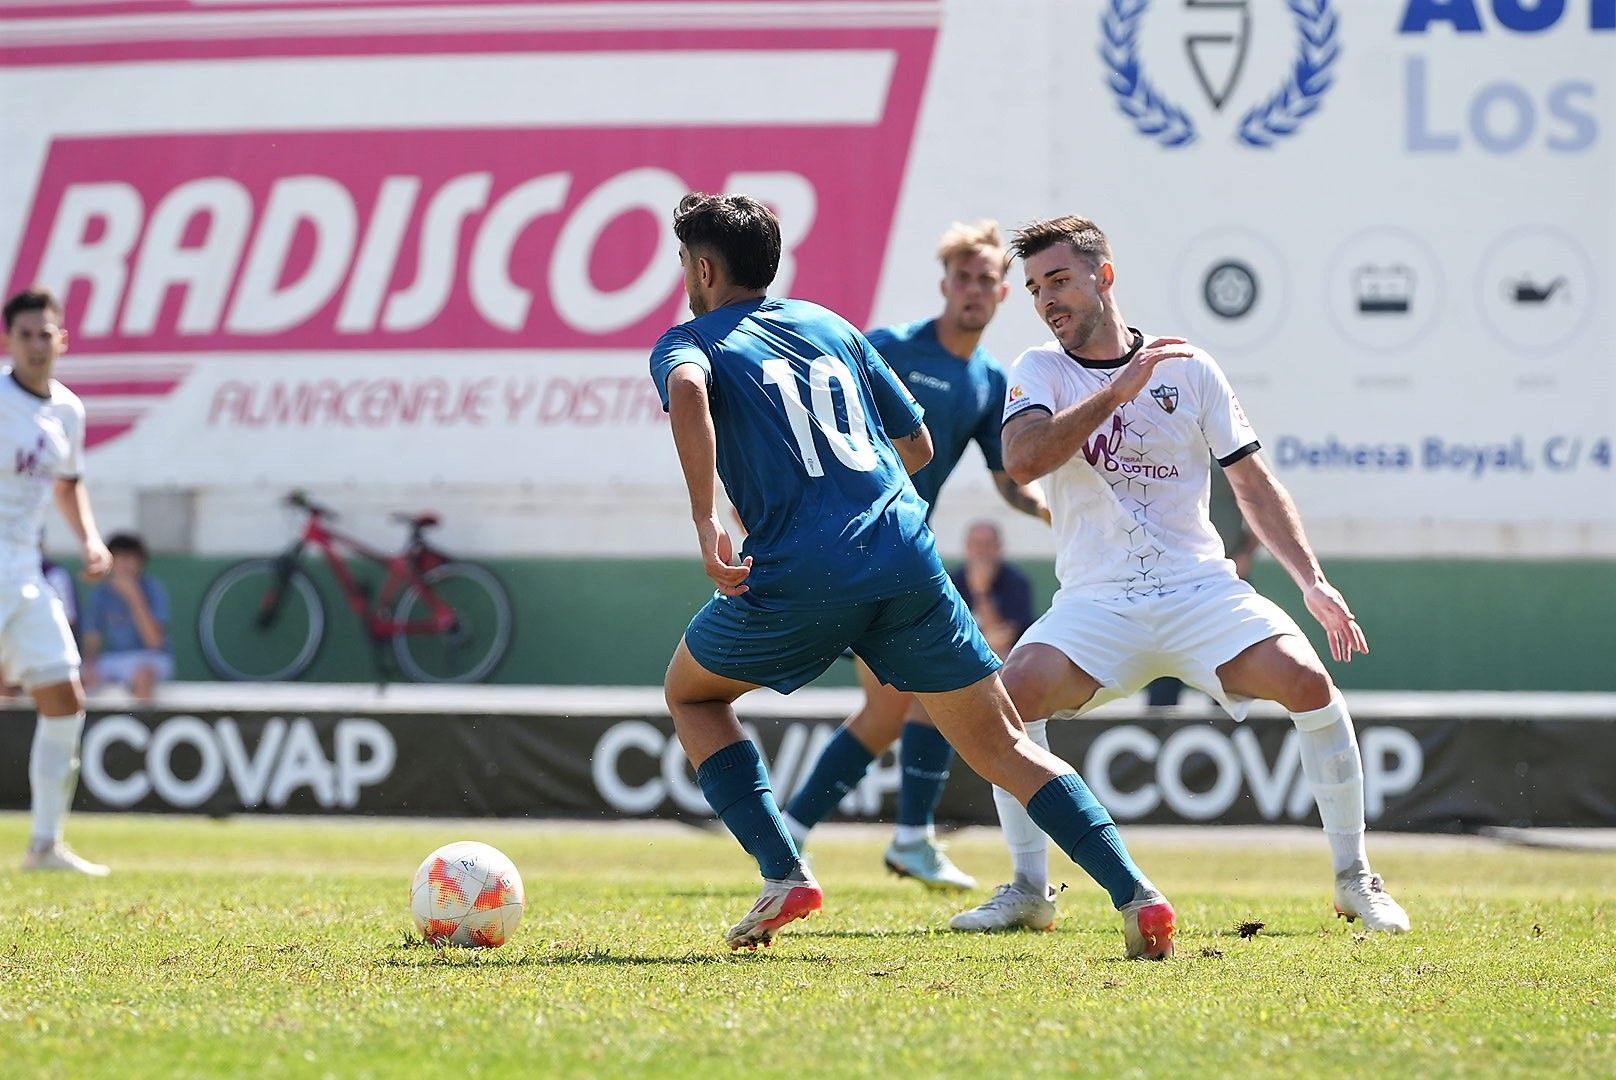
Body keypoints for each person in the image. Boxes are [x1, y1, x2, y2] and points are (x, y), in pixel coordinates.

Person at [650, 193, 1175, 957]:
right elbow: (919, 446)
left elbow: (691, 391)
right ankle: (1136, 893)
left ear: (702, 268)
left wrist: (709, 521)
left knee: (692, 694)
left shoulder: (689, 340)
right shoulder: (832, 324)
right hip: (905, 555)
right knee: (1003, 744)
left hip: (800, 567)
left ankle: (784, 866)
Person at [948, 216, 1409, 934]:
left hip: (1200, 592)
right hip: (1097, 603)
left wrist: (1313, 581)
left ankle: (1356, 880)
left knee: (1312, 685)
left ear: (1104, 276)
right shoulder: (1039, 369)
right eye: (1037, 288)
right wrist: (1120, 388)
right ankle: (1030, 888)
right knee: (1010, 701)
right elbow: (1025, 461)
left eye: (1061, 281)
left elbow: (1254, 486)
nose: (1048, 300)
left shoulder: (1189, 366)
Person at [780, 221, 1050, 892]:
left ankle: (804, 835)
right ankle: (898, 839)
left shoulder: (989, 381)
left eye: (986, 279)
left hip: (895, 557)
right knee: (923, 695)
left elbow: (1008, 480)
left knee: (893, 708)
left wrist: (1052, 508)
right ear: (945, 285)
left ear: (1003, 293)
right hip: (849, 551)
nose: (974, 290)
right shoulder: (890, 348)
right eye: (963, 278)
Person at [2, 286, 113, 875]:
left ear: (61, 339)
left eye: (46, 333)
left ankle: (45, 846)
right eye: (26, 334)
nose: (37, 344)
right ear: (9, 341)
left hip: (25, 568)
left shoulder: (68, 409)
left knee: (65, 698)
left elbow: (68, 485)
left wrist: (90, 540)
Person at [1146, 463, 1260, 706]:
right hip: (1172, 580)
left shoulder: (1233, 443)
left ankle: (1230, 732)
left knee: (1228, 664)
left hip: (1224, 580)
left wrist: (1245, 554)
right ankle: (1158, 731)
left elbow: (1263, 499)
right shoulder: (1164, 445)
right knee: (1165, 669)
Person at [82, 532, 172, 702]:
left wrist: (134, 596)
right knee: (78, 680)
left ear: (140, 563)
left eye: (130, 559)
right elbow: (92, 637)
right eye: (118, 558)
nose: (124, 565)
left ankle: (143, 726)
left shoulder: (153, 589)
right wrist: (89, 666)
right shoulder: (100, 592)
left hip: (150, 657)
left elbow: (155, 641)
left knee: (143, 677)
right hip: (112, 658)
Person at [952, 520, 1035, 661]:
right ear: (967, 547)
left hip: (1007, 660)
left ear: (998, 547)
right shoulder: (952, 582)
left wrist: (982, 592)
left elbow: (1002, 642)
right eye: (976, 545)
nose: (981, 551)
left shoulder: (1016, 582)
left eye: (987, 545)